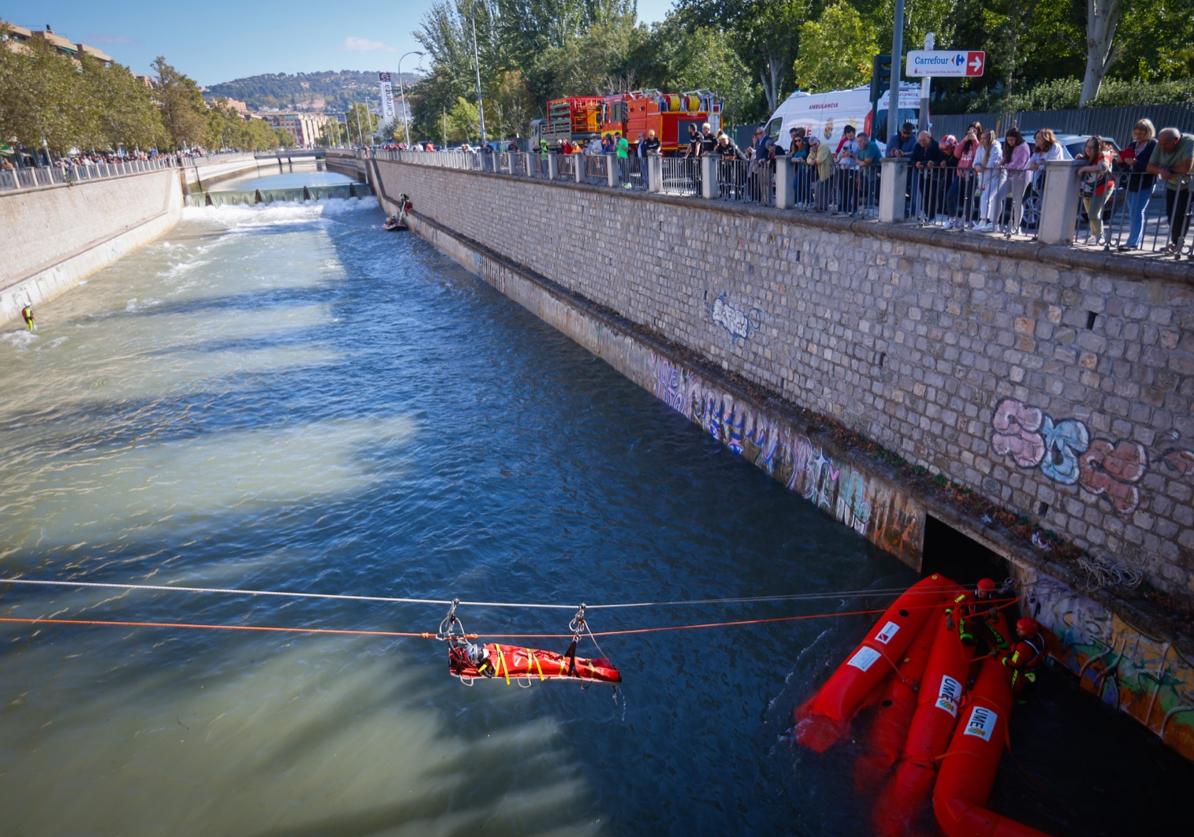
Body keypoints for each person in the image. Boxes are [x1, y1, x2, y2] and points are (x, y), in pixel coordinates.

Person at [1146, 127, 1194, 254]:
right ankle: (1175, 243)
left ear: (1176, 140)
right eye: (1160, 143)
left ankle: (1178, 244)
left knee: (1182, 214)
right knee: (1171, 215)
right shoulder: (1161, 143)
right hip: (1173, 184)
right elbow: (1150, 167)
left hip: (1189, 184)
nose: (1161, 146)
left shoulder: (1189, 142)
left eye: (1165, 143)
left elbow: (1186, 167)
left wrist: (1168, 170)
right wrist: (1161, 170)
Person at [1117, 119, 1158, 251]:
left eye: (1142, 130)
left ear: (1148, 131)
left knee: (1137, 211)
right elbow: (1124, 164)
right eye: (1137, 130)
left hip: (1145, 183)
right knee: (1132, 212)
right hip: (1131, 182)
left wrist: (1135, 163)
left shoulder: (1153, 144)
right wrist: (1120, 161)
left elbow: (1153, 165)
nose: (1138, 133)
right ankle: (1132, 240)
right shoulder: (1133, 144)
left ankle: (1133, 242)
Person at [1075, 135, 1117, 246]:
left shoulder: (1104, 154)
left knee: (1093, 213)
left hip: (1102, 187)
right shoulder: (1088, 157)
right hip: (1088, 189)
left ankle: (1100, 236)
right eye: (1087, 147)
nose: (1088, 149)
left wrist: (1084, 168)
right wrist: (1080, 159)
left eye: (1092, 147)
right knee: (1091, 214)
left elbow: (1103, 167)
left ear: (1098, 147)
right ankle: (1094, 235)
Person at [945, 578, 1007, 651]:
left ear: (989, 593)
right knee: (966, 639)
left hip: (981, 623)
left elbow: (995, 620)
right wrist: (949, 618)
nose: (980, 592)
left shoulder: (992, 601)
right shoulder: (967, 595)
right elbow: (951, 604)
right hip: (967, 622)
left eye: (983, 591)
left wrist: (993, 614)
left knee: (1002, 643)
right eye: (980, 589)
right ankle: (979, 643)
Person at [994, 128, 1032, 235]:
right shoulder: (1011, 147)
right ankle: (995, 223)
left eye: (1012, 140)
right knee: (998, 197)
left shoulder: (1023, 147)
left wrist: (1004, 166)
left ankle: (1016, 227)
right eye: (1008, 140)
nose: (1010, 142)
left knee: (1017, 201)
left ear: (1017, 138)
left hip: (1021, 177)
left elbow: (1018, 165)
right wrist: (1002, 161)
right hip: (1011, 177)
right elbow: (1007, 158)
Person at [1002, 617, 1046, 696]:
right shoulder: (1039, 637)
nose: (1016, 630)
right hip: (1036, 666)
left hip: (1024, 671)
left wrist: (1005, 660)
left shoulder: (1022, 648)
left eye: (1020, 630)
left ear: (1027, 632)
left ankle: (1018, 698)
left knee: (1016, 686)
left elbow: (1014, 664)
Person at [973, 129, 1005, 231]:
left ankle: (985, 221)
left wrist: (981, 166)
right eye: (981, 138)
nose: (982, 140)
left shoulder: (996, 147)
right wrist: (978, 166)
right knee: (990, 199)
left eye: (984, 138)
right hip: (985, 177)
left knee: (986, 198)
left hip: (997, 176)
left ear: (990, 138)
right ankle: (991, 223)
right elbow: (976, 163)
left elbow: (992, 164)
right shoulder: (980, 148)